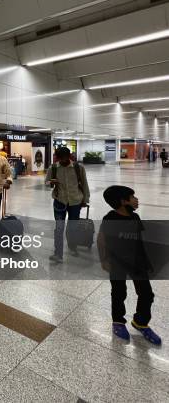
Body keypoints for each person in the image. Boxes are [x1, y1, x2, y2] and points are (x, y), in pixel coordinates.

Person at [97, 185, 161, 345]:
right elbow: (101, 239)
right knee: (119, 292)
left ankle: (141, 322)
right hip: (117, 262)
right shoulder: (110, 218)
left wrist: (147, 261)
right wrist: (104, 260)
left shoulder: (135, 217)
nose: (136, 199)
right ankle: (118, 322)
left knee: (146, 293)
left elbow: (141, 240)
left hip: (137, 262)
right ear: (123, 201)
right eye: (132, 197)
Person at [45, 146, 90, 262]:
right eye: (60, 159)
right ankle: (58, 254)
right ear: (57, 158)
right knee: (59, 228)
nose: (63, 161)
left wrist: (85, 199)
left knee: (72, 227)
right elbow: (46, 182)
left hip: (75, 201)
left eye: (64, 158)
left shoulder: (78, 167)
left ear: (69, 156)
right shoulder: (53, 168)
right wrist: (51, 182)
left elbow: (84, 184)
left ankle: (72, 246)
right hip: (60, 201)